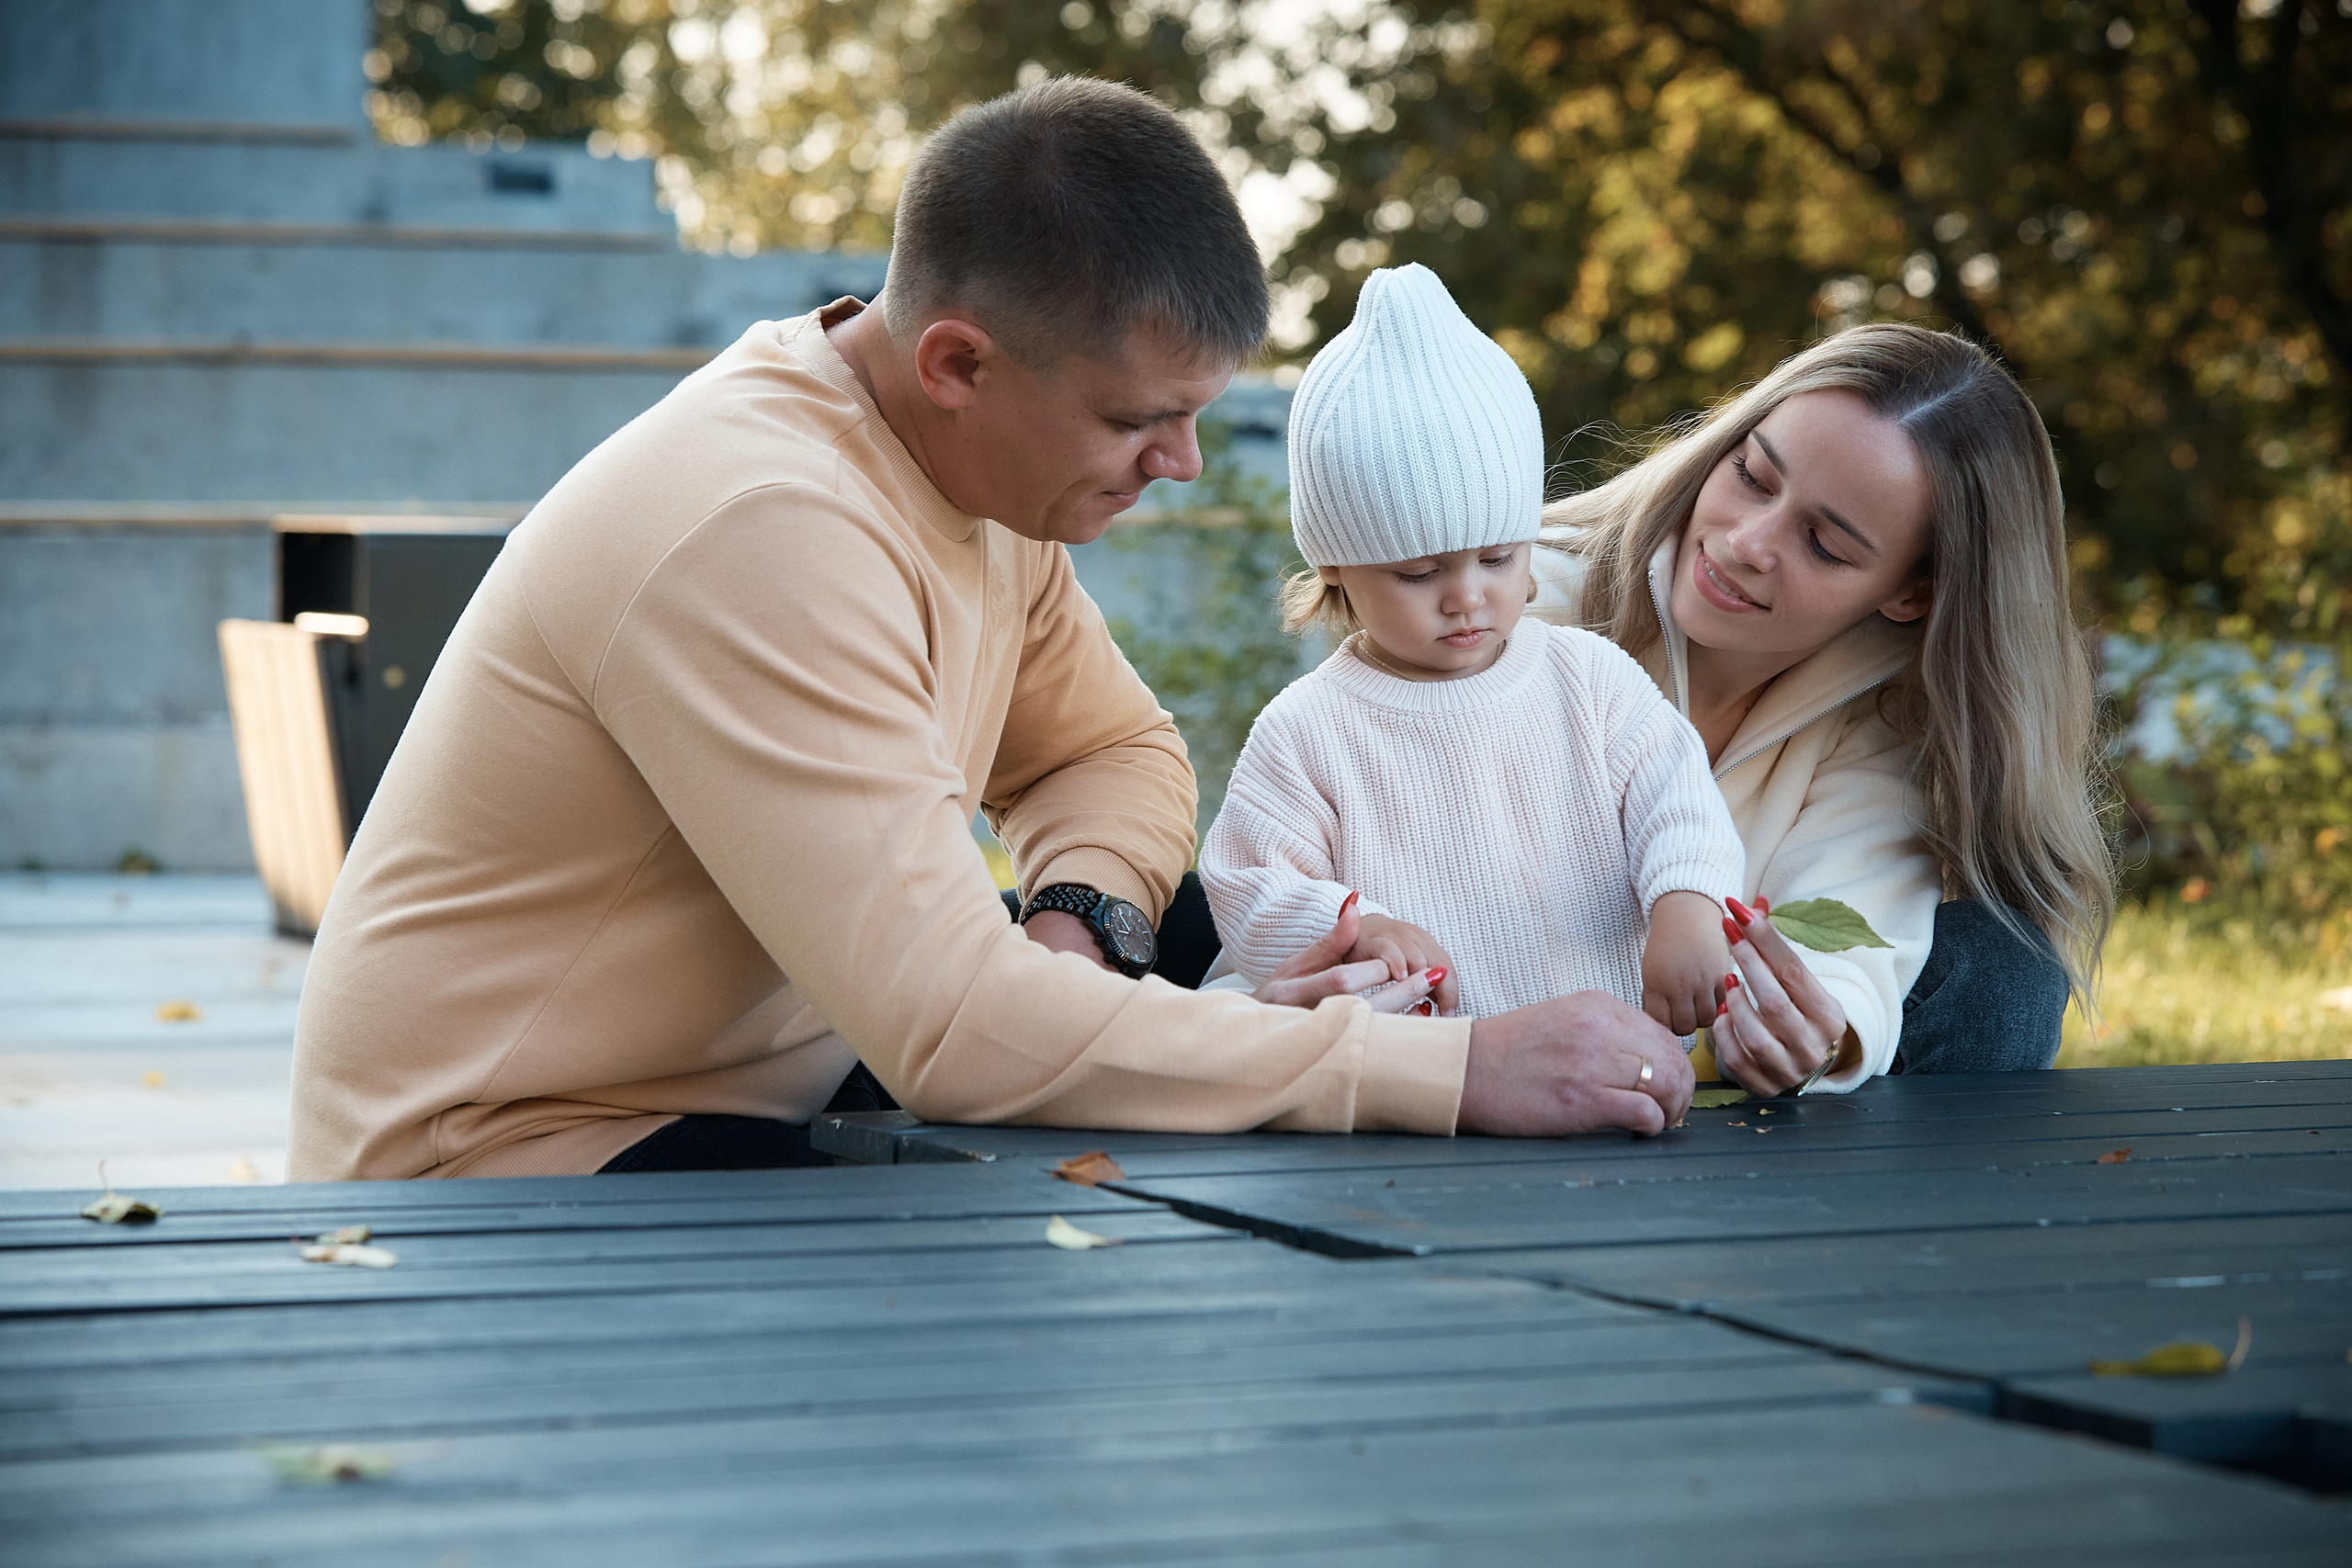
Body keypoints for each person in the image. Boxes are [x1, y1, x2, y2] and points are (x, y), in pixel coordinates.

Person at [286, 78, 1697, 1181]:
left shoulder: (970, 473)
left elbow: (1115, 754)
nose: (1182, 464)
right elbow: (957, 1029)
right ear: (959, 360)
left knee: (1184, 978)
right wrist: (1456, 1071)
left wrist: (1077, 925)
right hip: (519, 1154)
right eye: (1139, 419)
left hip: (770, 1070)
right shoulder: (764, 525)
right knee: (1097, 1250)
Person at [1530, 321, 2116, 1095]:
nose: (1747, 542)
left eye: (1825, 545)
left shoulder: (1884, 721)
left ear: (1913, 592)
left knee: (2006, 973)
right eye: (1752, 475)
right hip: (1488, 1037)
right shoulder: (1512, 605)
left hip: (1706, 1094)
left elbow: (1849, 932)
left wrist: (1819, 1034)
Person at [1198, 265, 1747, 1038]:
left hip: (1616, 1061)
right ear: (1334, 565)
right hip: (1427, 1077)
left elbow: (1678, 799)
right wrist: (1356, 925)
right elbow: (1249, 883)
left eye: (1497, 558)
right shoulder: (1306, 731)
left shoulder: (1589, 679)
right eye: (1419, 572)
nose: (1465, 596)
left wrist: (1686, 901)